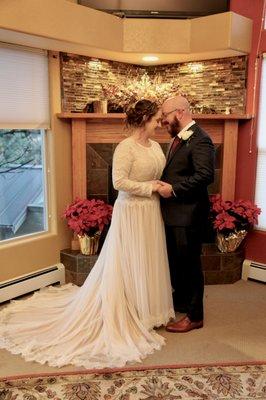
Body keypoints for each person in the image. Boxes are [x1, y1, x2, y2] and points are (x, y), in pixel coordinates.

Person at [0, 100, 175, 369]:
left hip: (150, 212)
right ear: (144, 120)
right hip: (131, 211)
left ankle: (149, 311)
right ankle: (130, 310)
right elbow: (119, 183)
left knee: (148, 258)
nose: (159, 124)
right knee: (129, 260)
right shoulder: (125, 148)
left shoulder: (155, 146)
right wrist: (151, 187)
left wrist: (159, 186)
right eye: (156, 119)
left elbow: (156, 174)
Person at [158, 95, 215, 333]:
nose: (162, 121)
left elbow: (205, 175)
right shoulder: (179, 139)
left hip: (188, 214)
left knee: (190, 265)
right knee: (176, 262)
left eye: (165, 115)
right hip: (175, 214)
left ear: (179, 112)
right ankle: (182, 301)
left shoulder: (201, 139)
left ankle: (195, 316)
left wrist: (174, 190)